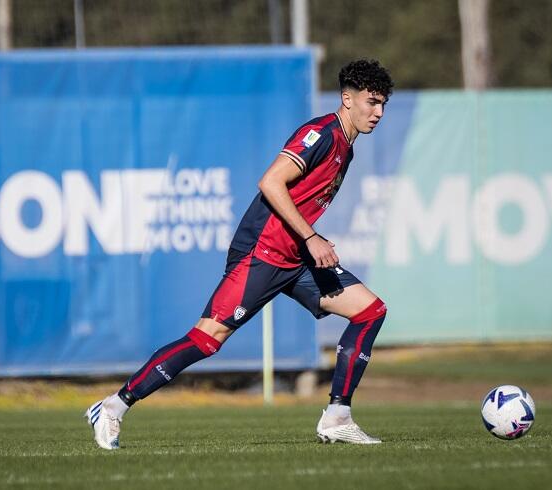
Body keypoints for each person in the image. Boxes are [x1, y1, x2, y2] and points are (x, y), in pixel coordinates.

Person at [86, 59, 393, 449]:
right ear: (347, 99)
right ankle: (113, 406)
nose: (378, 112)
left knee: (370, 311)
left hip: (296, 261)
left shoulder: (346, 148)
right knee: (207, 339)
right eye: (372, 102)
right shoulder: (321, 134)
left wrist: (307, 243)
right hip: (262, 255)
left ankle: (337, 416)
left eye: (383, 104)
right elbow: (270, 181)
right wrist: (312, 236)